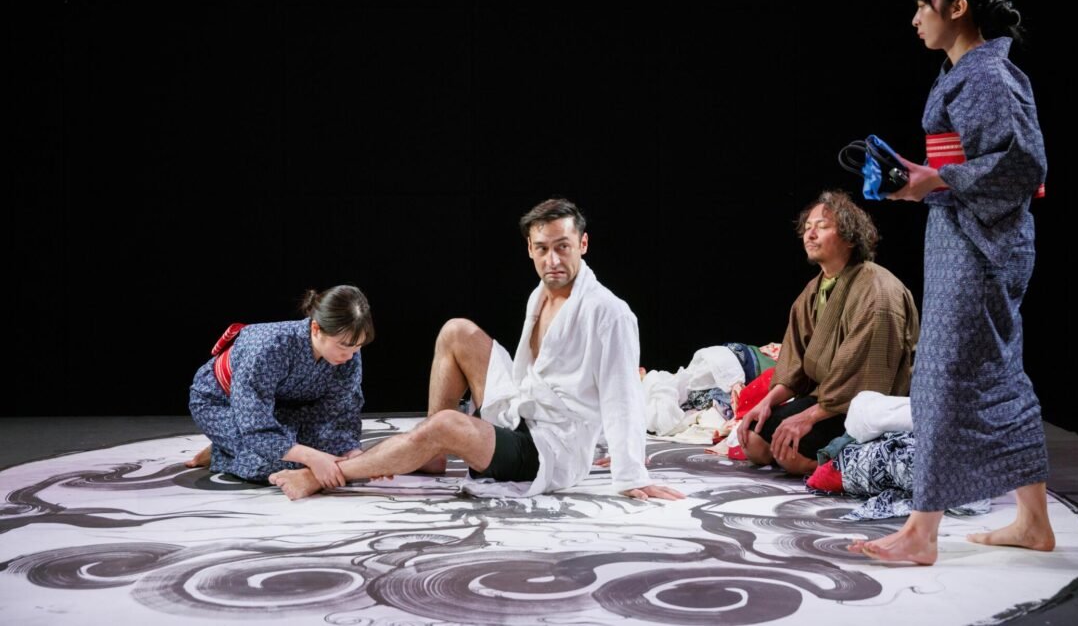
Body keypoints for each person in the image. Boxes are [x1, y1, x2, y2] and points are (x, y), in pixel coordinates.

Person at [269, 198, 684, 502]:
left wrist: (632, 474)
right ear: (530, 249)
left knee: (447, 424)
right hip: (522, 411)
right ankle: (430, 456)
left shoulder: (609, 312)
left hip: (549, 449)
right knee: (456, 331)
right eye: (542, 248)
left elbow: (622, 394)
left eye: (563, 246)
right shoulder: (540, 294)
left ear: (583, 244)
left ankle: (326, 475)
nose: (552, 259)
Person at [850, 0, 1054, 565]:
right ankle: (1033, 522)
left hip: (982, 244)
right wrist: (920, 180)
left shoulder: (988, 73)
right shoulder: (966, 73)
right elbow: (966, 163)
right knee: (998, 377)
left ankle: (921, 531)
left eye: (924, 5)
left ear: (957, 7)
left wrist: (935, 179)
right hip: (964, 235)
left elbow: (1023, 165)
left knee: (941, 377)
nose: (916, 18)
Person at [736, 190, 919, 475]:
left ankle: (837, 468)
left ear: (849, 237)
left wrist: (808, 417)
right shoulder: (814, 290)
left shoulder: (878, 292)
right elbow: (795, 365)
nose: (810, 235)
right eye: (807, 228)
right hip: (829, 398)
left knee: (789, 456)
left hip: (867, 407)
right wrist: (766, 403)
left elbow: (867, 381)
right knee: (754, 441)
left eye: (821, 227)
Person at [185, 285, 374, 486]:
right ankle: (222, 451)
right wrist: (311, 457)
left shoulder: (349, 351)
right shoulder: (270, 347)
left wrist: (351, 452)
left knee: (334, 455)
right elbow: (254, 422)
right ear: (316, 328)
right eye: (344, 346)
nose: (350, 355)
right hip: (222, 402)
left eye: (358, 347)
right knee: (275, 464)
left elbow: (342, 408)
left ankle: (229, 446)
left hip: (284, 406)